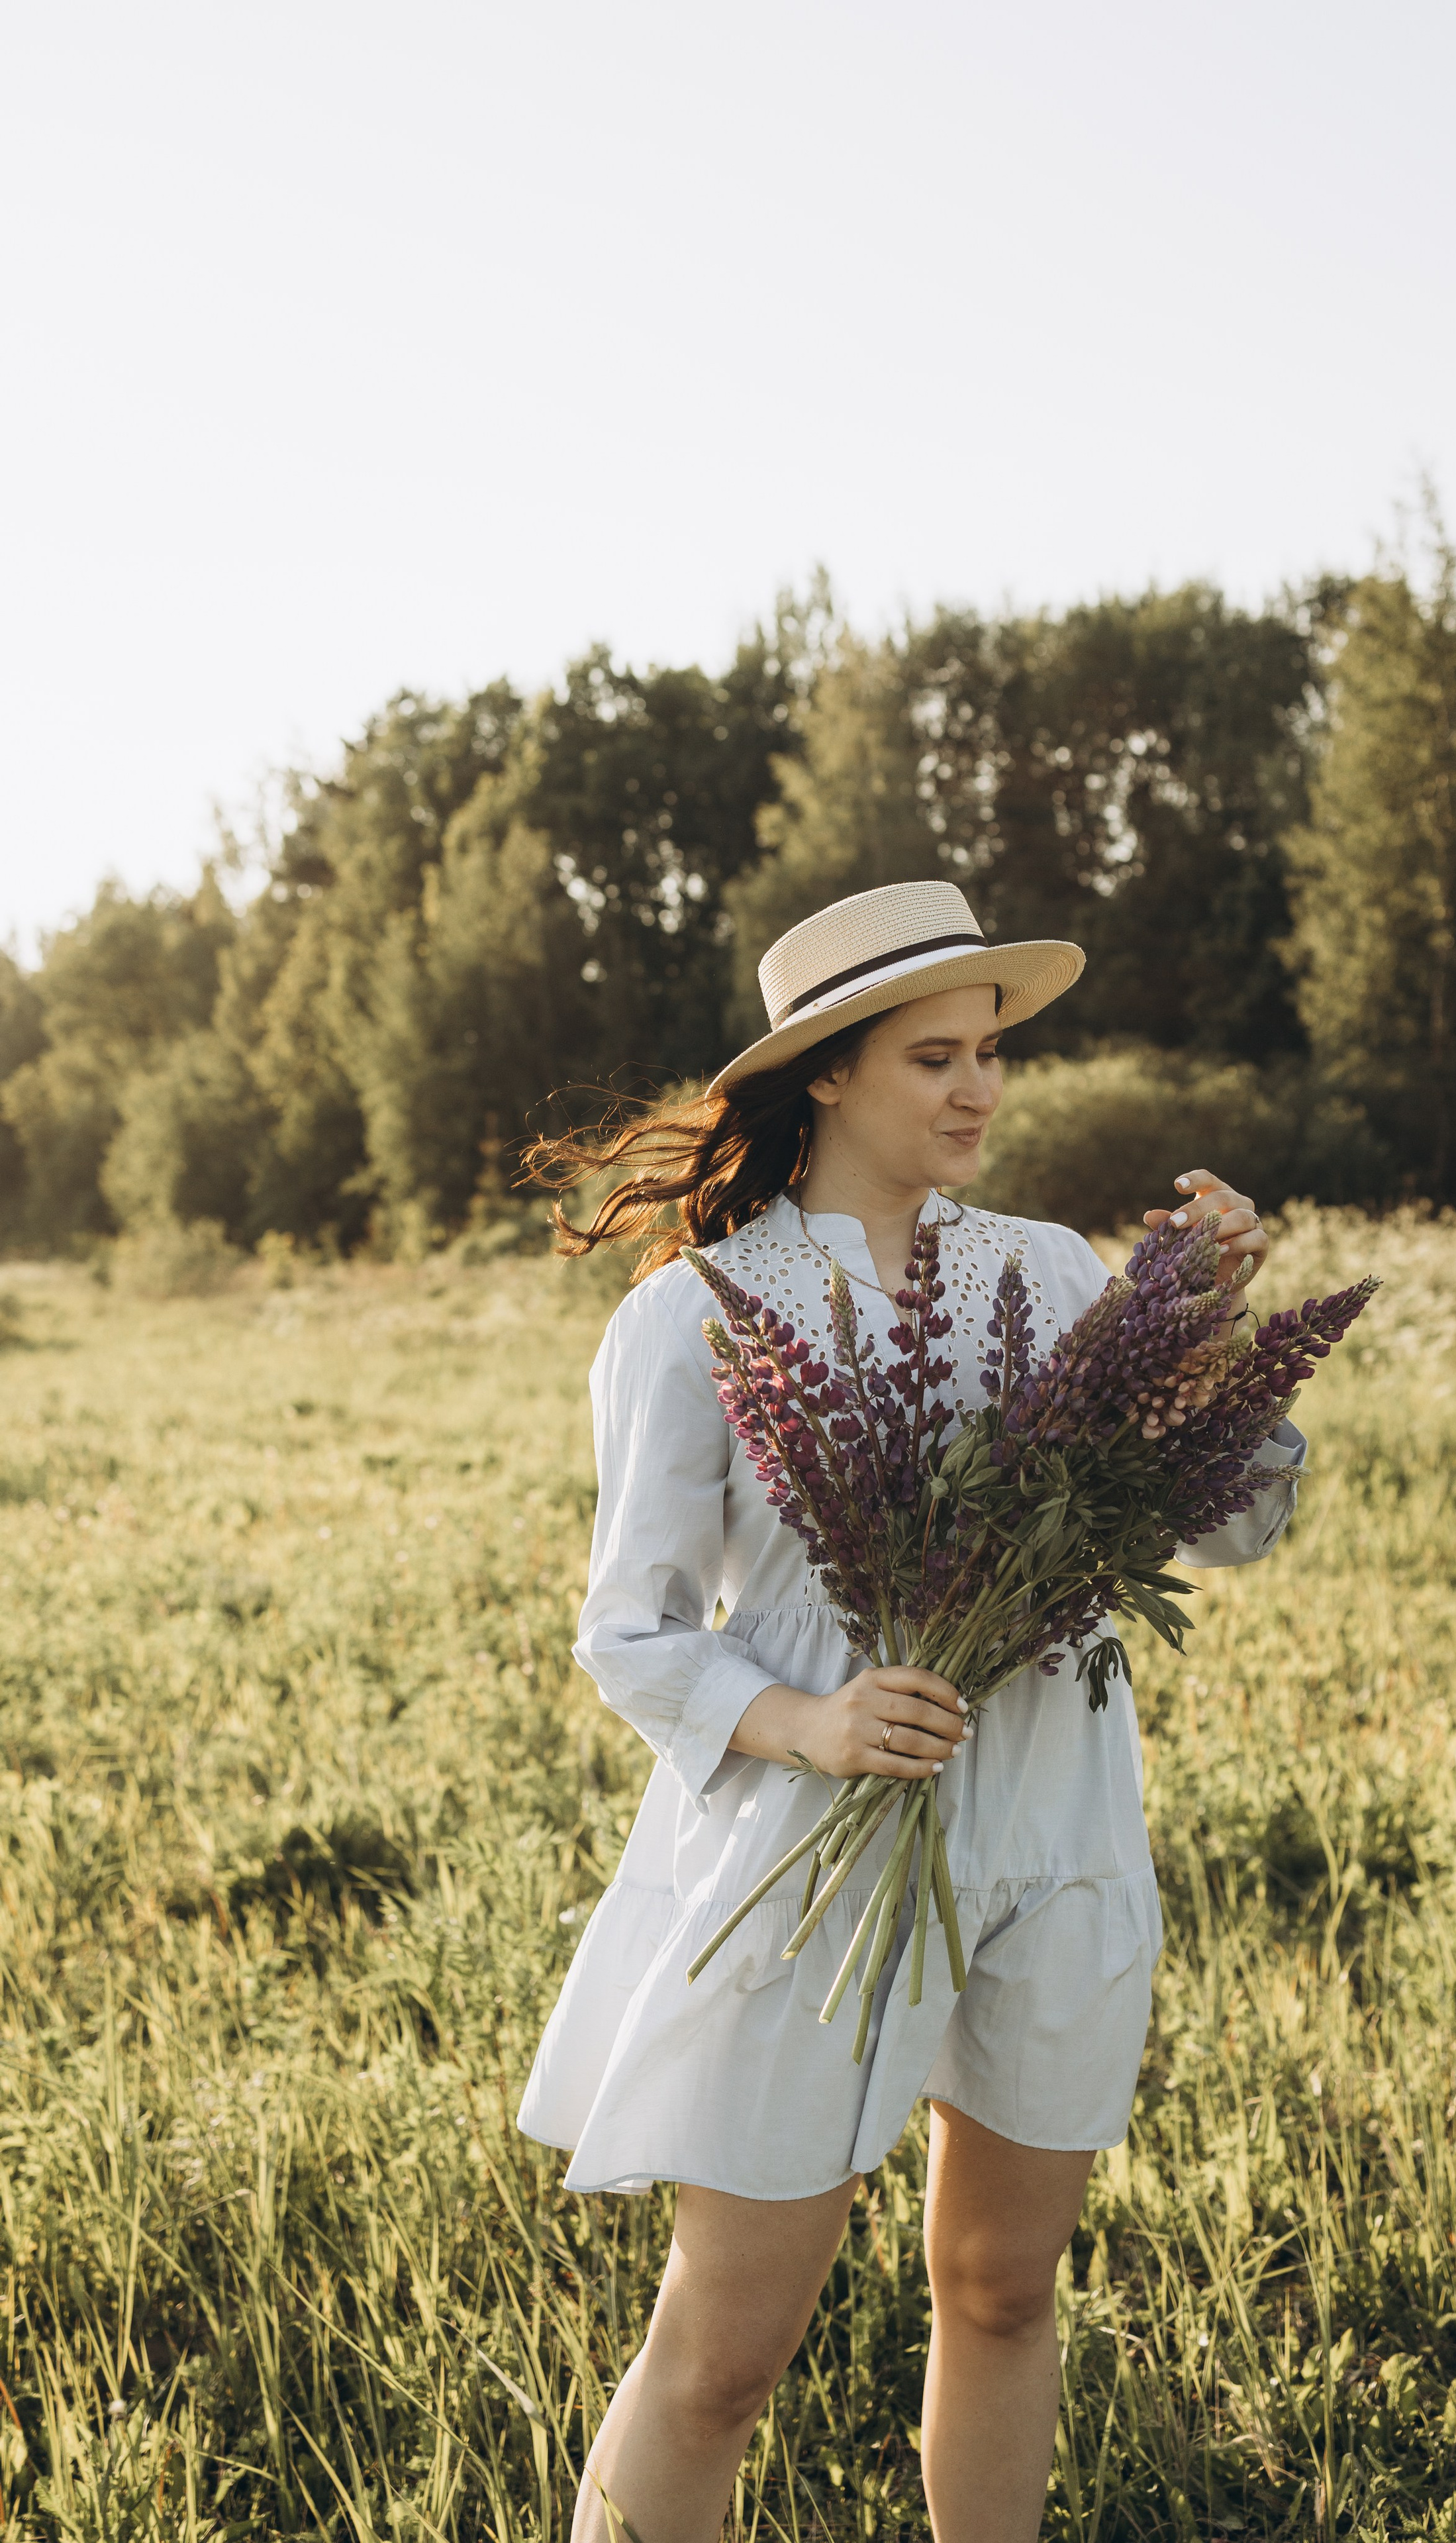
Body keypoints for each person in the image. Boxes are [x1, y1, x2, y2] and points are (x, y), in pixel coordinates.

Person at [518, 880, 1303, 2543]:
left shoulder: (1048, 1269)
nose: (977, 1091)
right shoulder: (698, 1312)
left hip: (1052, 1825)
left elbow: (1228, 1526)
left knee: (1003, 2292)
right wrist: (808, 1724)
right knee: (723, 2361)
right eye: (932, 1058)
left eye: (988, 1055)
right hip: (814, 1853)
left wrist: (1206, 1336)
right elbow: (628, 1631)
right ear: (826, 1071)